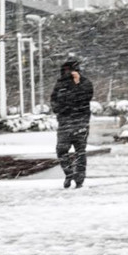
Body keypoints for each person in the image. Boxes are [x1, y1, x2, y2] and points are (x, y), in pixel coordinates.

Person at [50, 60, 94, 188]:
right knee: (61, 150)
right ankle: (69, 173)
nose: (67, 73)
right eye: (65, 70)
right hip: (65, 122)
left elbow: (85, 98)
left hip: (81, 122)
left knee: (80, 151)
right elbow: (54, 100)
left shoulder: (84, 83)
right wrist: (59, 110)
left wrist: (77, 84)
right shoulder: (60, 84)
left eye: (70, 70)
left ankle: (79, 179)